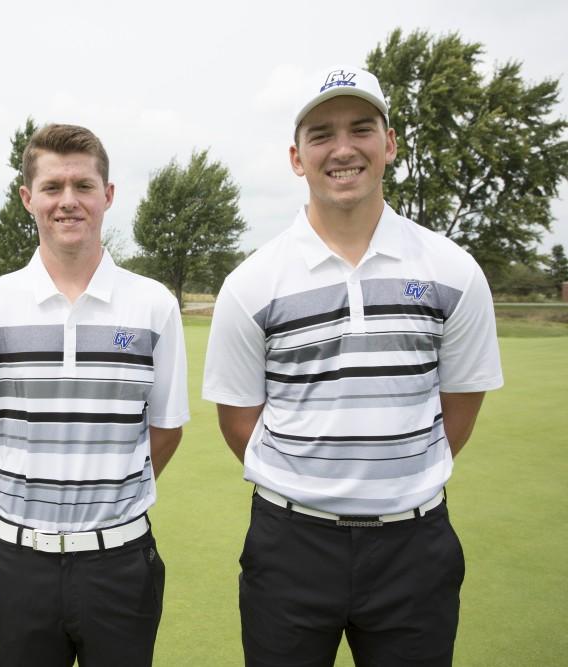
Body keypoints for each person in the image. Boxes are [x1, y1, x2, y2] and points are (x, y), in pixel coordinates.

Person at [203, 66, 504, 666]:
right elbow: (240, 422)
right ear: (297, 157)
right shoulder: (251, 284)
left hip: (414, 547)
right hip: (290, 546)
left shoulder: (453, 270)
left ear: (389, 143)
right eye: (321, 135)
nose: (343, 149)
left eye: (361, 128)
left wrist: (394, 483)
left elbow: (460, 407)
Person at [0, 124, 189, 666]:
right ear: (28, 199)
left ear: (108, 195)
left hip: (121, 562)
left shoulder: (153, 305)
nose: (68, 201)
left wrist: (109, 491)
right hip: (20, 563)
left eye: (83, 185)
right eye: (52, 187)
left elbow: (165, 429)